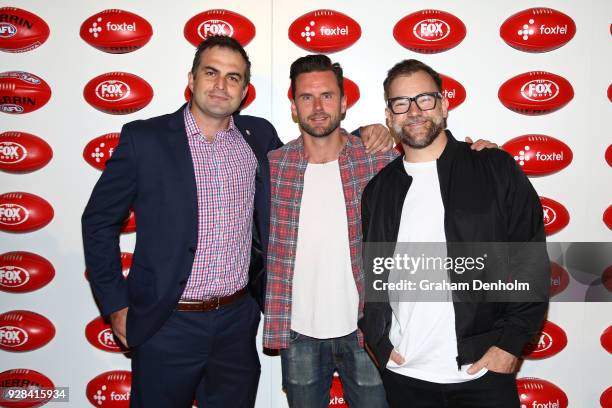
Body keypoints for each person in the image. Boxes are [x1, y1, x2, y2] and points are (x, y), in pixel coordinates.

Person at [82, 36, 392, 408]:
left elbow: (320, 146)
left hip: (236, 324)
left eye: (233, 77)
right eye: (211, 73)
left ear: (244, 90)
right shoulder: (145, 140)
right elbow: (98, 222)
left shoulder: (257, 138)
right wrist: (116, 306)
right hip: (167, 324)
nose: (220, 85)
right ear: (192, 78)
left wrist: (366, 135)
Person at [262, 55, 498, 408]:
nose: (317, 106)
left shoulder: (378, 160)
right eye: (306, 97)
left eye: (327, 96)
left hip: (367, 332)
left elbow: (435, 161)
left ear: (344, 103)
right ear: (293, 107)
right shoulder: (274, 167)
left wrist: (479, 157)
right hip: (299, 334)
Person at [359, 59, 549, 408]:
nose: (414, 111)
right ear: (389, 116)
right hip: (406, 375)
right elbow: (373, 277)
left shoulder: (494, 167)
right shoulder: (379, 190)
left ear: (444, 105)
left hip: (481, 374)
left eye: (425, 99)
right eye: (401, 103)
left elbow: (530, 262)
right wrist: (378, 342)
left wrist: (509, 346)